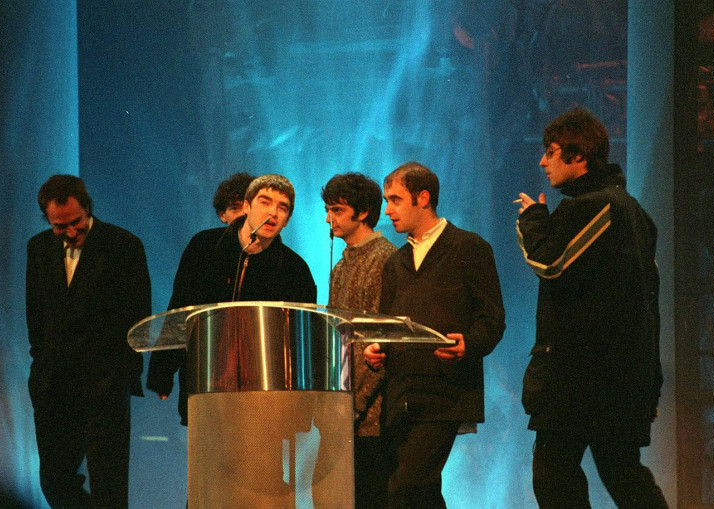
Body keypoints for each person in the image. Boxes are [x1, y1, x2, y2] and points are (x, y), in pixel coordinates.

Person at [515, 107, 668, 508]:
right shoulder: (634, 211)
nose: (542, 161)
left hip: (581, 378)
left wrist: (533, 219)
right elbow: (649, 304)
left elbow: (551, 264)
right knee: (624, 473)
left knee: (554, 473)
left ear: (578, 156)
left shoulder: (594, 207)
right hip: (621, 376)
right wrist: (651, 380)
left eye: (550, 152)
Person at [364, 162, 506, 508]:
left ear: (423, 197)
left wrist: (469, 344)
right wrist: (378, 348)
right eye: (387, 200)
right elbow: (388, 325)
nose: (388, 210)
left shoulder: (469, 248)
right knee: (423, 494)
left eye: (395, 199)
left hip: (445, 392)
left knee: (404, 489)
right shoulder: (395, 262)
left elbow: (492, 318)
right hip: (402, 395)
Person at [147, 173, 316, 424]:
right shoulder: (204, 247)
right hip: (205, 385)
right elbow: (180, 308)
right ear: (247, 206)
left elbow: (302, 342)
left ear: (287, 220)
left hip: (263, 397)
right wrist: (162, 371)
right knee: (208, 460)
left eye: (283, 208)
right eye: (265, 202)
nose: (273, 212)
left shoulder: (295, 270)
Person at [26, 175, 151, 508]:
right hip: (54, 387)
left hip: (105, 385)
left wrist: (123, 377)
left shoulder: (124, 245)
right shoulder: (38, 249)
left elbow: (139, 318)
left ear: (88, 208)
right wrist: (39, 374)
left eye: (76, 222)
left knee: (109, 487)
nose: (70, 232)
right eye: (59, 225)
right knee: (54, 481)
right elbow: (36, 319)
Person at [321, 172, 397, 509]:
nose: (329, 218)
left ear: (363, 212)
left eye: (336, 209)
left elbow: (380, 340)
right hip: (346, 412)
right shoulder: (340, 267)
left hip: (372, 415)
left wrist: (354, 406)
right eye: (328, 209)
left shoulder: (385, 259)